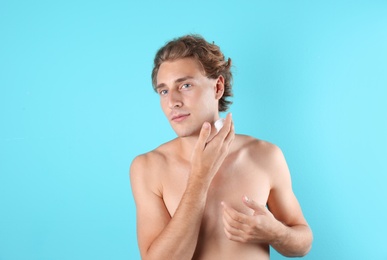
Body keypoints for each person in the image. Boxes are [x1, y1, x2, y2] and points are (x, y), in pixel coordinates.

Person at [130, 34, 313, 260]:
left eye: (185, 85)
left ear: (217, 87)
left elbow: (303, 242)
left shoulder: (265, 155)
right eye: (164, 91)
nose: (172, 102)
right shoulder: (149, 167)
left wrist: (275, 233)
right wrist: (199, 178)